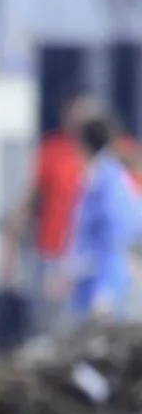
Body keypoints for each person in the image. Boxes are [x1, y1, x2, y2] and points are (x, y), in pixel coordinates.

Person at [2, 93, 98, 320]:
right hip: (53, 248)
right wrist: (10, 242)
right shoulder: (52, 151)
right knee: (49, 315)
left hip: (89, 255)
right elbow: (33, 196)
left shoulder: (109, 157)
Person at [62, 114, 142, 321]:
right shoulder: (94, 178)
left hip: (103, 283)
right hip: (88, 280)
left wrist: (107, 288)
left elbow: (118, 238)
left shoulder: (109, 181)